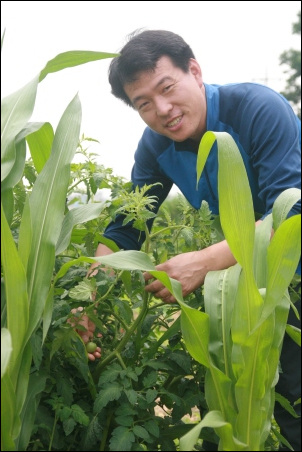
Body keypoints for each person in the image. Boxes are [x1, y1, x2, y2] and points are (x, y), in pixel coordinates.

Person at [74, 29, 301, 450]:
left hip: (293, 287)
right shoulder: (156, 145)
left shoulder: (256, 109)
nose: (163, 110)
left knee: (295, 415)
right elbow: (125, 228)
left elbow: (291, 216)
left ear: (194, 71)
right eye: (144, 103)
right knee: (225, 423)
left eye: (167, 88)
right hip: (242, 293)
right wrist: (90, 300)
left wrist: (204, 260)